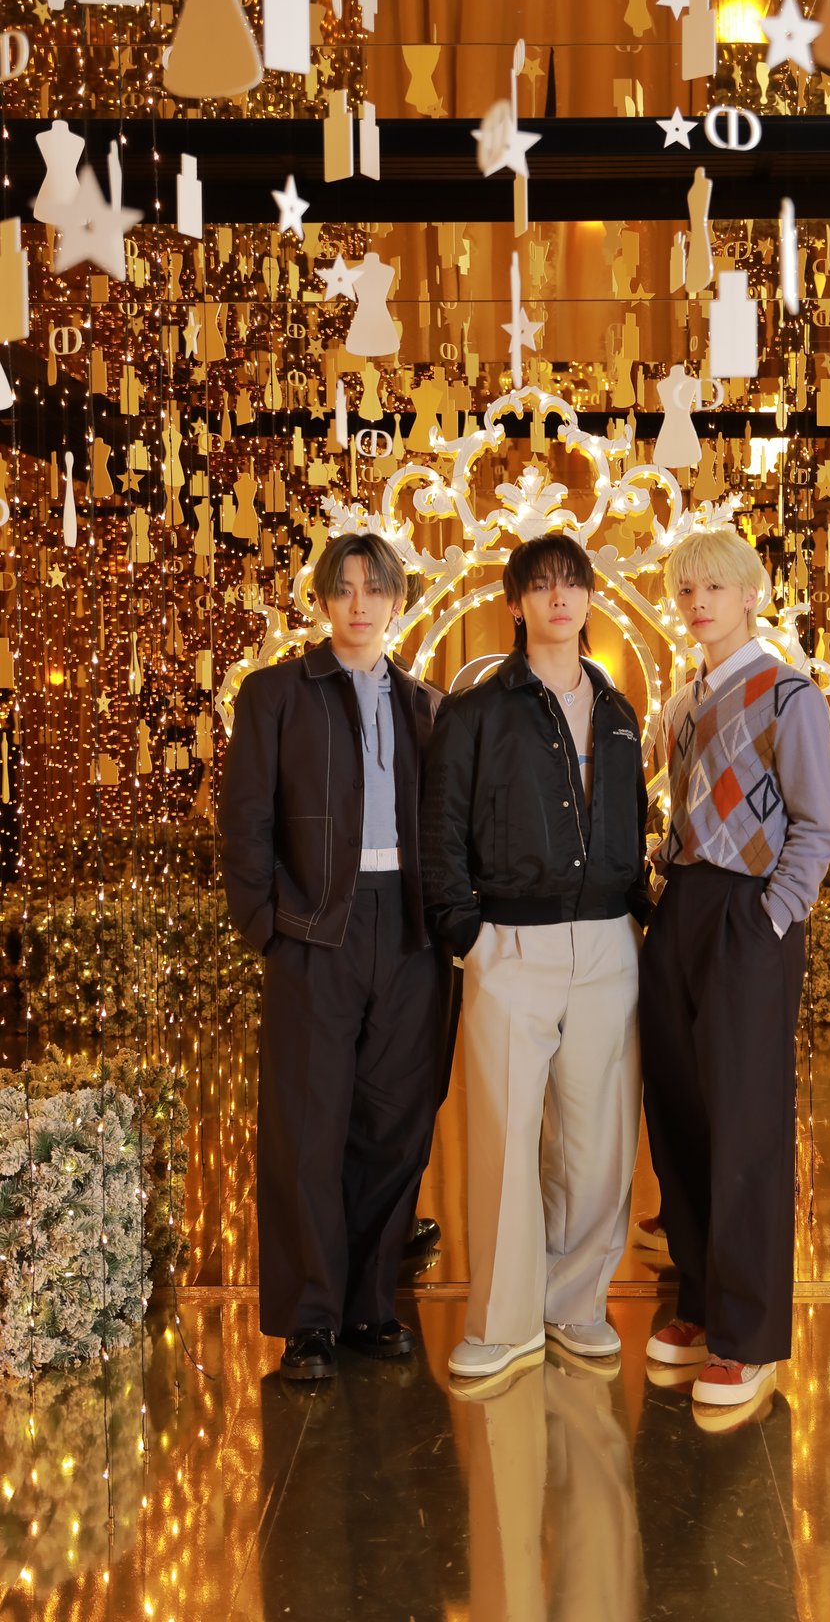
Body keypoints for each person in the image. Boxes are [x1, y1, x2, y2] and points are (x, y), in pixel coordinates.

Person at [218, 532, 451, 1381]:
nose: (360, 604)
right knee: (308, 1130)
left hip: (411, 933)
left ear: (397, 602)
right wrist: (267, 926)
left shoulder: (427, 706)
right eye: (344, 588)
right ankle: (309, 1320)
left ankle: (368, 1305)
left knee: (396, 1127)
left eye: (375, 589)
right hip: (315, 930)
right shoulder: (277, 693)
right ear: (321, 601)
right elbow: (244, 818)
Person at [422, 534, 650, 1381]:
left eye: (572, 584)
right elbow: (440, 831)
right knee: (506, 1141)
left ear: (589, 598)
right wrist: (469, 936)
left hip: (608, 943)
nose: (559, 598)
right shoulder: (475, 711)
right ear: (515, 603)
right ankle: (502, 1322)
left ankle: (575, 1304)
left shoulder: (619, 711)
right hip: (509, 944)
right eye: (542, 586)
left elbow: (633, 823)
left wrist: (639, 918)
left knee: (597, 1143)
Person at [641, 528, 830, 1410]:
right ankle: (697, 1299)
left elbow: (816, 828)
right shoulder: (684, 703)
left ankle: (748, 1335)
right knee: (680, 1114)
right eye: (687, 590)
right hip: (681, 908)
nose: (697, 603)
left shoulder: (788, 694)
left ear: (750, 595)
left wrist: (771, 916)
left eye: (714, 588)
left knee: (746, 1123)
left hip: (747, 917)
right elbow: (689, 813)